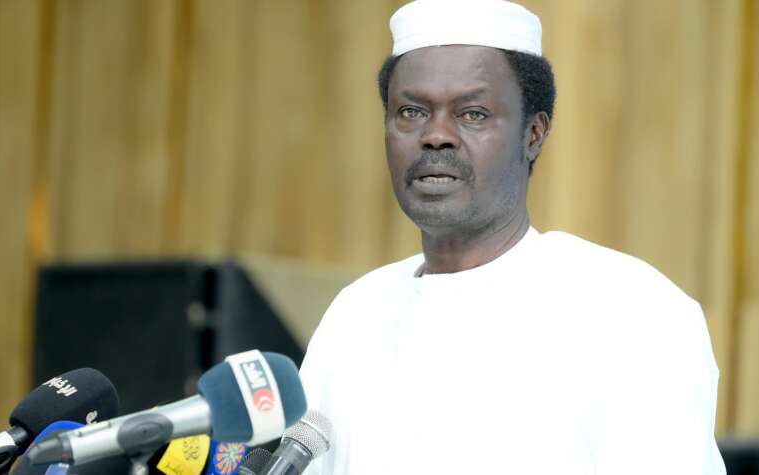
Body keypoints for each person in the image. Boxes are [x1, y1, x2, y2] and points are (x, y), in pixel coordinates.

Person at [298, 0, 725, 473]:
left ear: (533, 134)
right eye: (411, 111)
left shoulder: (632, 311)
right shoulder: (354, 315)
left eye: (473, 114)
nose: (436, 135)